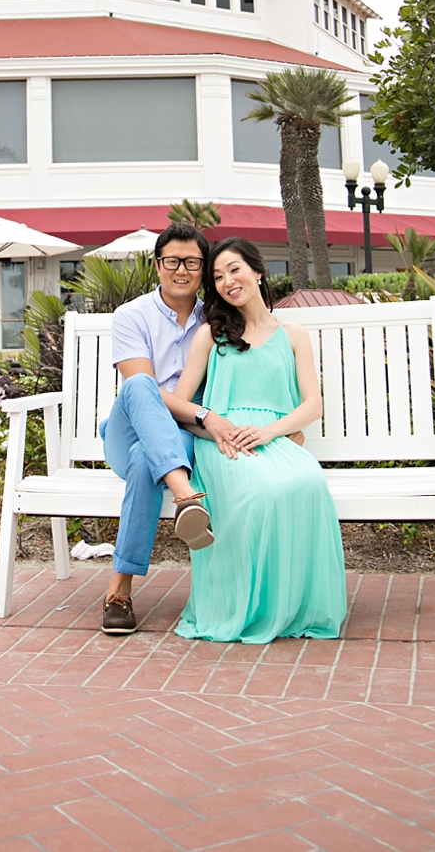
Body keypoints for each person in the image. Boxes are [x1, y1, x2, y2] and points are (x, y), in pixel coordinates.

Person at [173, 237, 347, 643]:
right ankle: (242, 606)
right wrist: (214, 429)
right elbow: (180, 405)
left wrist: (271, 431)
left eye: (234, 269)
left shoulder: (293, 334)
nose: (227, 281)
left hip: (276, 439)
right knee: (261, 491)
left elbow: (313, 404)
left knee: (308, 482)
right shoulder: (210, 336)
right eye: (217, 276)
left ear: (257, 271)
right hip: (223, 443)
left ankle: (293, 608)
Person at [99, 222, 245, 635]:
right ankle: (185, 495)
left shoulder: (216, 318)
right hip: (126, 430)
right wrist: (205, 415)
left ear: (204, 268)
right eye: (172, 261)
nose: (181, 270)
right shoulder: (132, 315)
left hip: (175, 442)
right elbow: (138, 388)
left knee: (149, 459)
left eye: (192, 263)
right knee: (144, 385)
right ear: (158, 265)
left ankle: (120, 590)